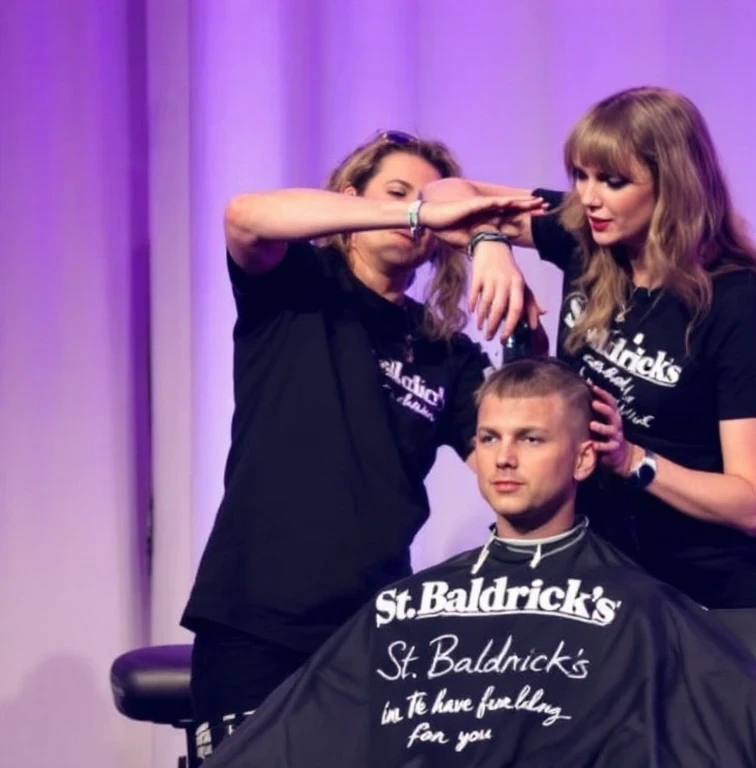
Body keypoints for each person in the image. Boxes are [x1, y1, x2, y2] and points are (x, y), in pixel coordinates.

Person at [199, 358, 756, 768]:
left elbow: (753, 729)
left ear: (581, 461)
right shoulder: (404, 607)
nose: (503, 458)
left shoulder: (637, 606)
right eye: (490, 438)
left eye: (530, 439)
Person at [179, 130, 547, 761]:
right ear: (351, 200)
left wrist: (523, 331)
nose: (419, 213)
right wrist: (417, 209)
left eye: (432, 203)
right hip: (257, 615)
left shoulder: (445, 351)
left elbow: (505, 460)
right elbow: (244, 215)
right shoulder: (297, 282)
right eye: (398, 193)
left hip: (375, 629)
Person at [425, 86, 756, 694]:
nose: (589, 198)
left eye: (612, 181)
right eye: (580, 175)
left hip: (716, 593)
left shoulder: (731, 301)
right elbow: (441, 194)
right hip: (610, 583)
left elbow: (749, 503)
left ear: (671, 183)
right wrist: (489, 244)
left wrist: (632, 461)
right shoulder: (583, 236)